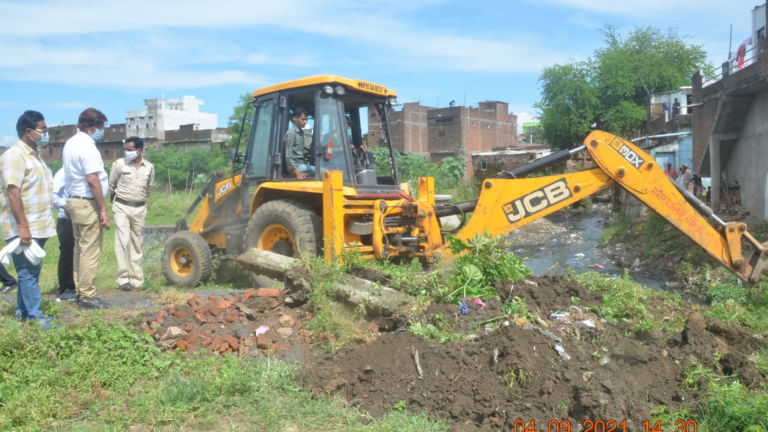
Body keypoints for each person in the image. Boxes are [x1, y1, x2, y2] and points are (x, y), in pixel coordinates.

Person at [0, 110, 55, 328]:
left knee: (29, 272)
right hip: (23, 226)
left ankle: (22, 315)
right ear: (28, 131)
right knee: (28, 273)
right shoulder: (14, 156)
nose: (45, 133)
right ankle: (35, 319)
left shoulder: (35, 156)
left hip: (38, 225)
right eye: (43, 129)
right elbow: (13, 192)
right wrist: (23, 225)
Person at [63, 108, 111, 310]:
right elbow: (92, 179)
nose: (102, 131)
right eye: (100, 128)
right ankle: (88, 296)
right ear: (91, 127)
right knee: (90, 250)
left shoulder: (70, 143)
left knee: (79, 249)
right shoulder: (87, 146)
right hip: (86, 203)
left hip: (73, 201)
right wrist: (103, 208)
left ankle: (80, 291)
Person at [109, 137, 155, 291]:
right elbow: (112, 184)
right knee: (123, 241)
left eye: (129, 150)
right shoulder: (119, 165)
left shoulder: (149, 168)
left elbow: (149, 188)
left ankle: (136, 279)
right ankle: (123, 279)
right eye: (126, 149)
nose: (126, 152)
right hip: (121, 206)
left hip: (139, 208)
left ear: (139, 151)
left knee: (137, 242)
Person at [52, 167, 77, 302]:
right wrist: (66, 208)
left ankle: (77, 285)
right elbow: (53, 195)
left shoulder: (80, 172)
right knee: (68, 251)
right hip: (65, 219)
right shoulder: (62, 173)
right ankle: (65, 288)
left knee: (80, 252)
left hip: (79, 217)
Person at [284, 107, 314, 180]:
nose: (305, 122)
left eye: (306, 120)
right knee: (323, 171)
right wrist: (297, 173)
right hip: (296, 167)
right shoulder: (291, 133)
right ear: (295, 118)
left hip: (301, 164)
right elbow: (288, 156)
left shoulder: (301, 132)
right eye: (303, 119)